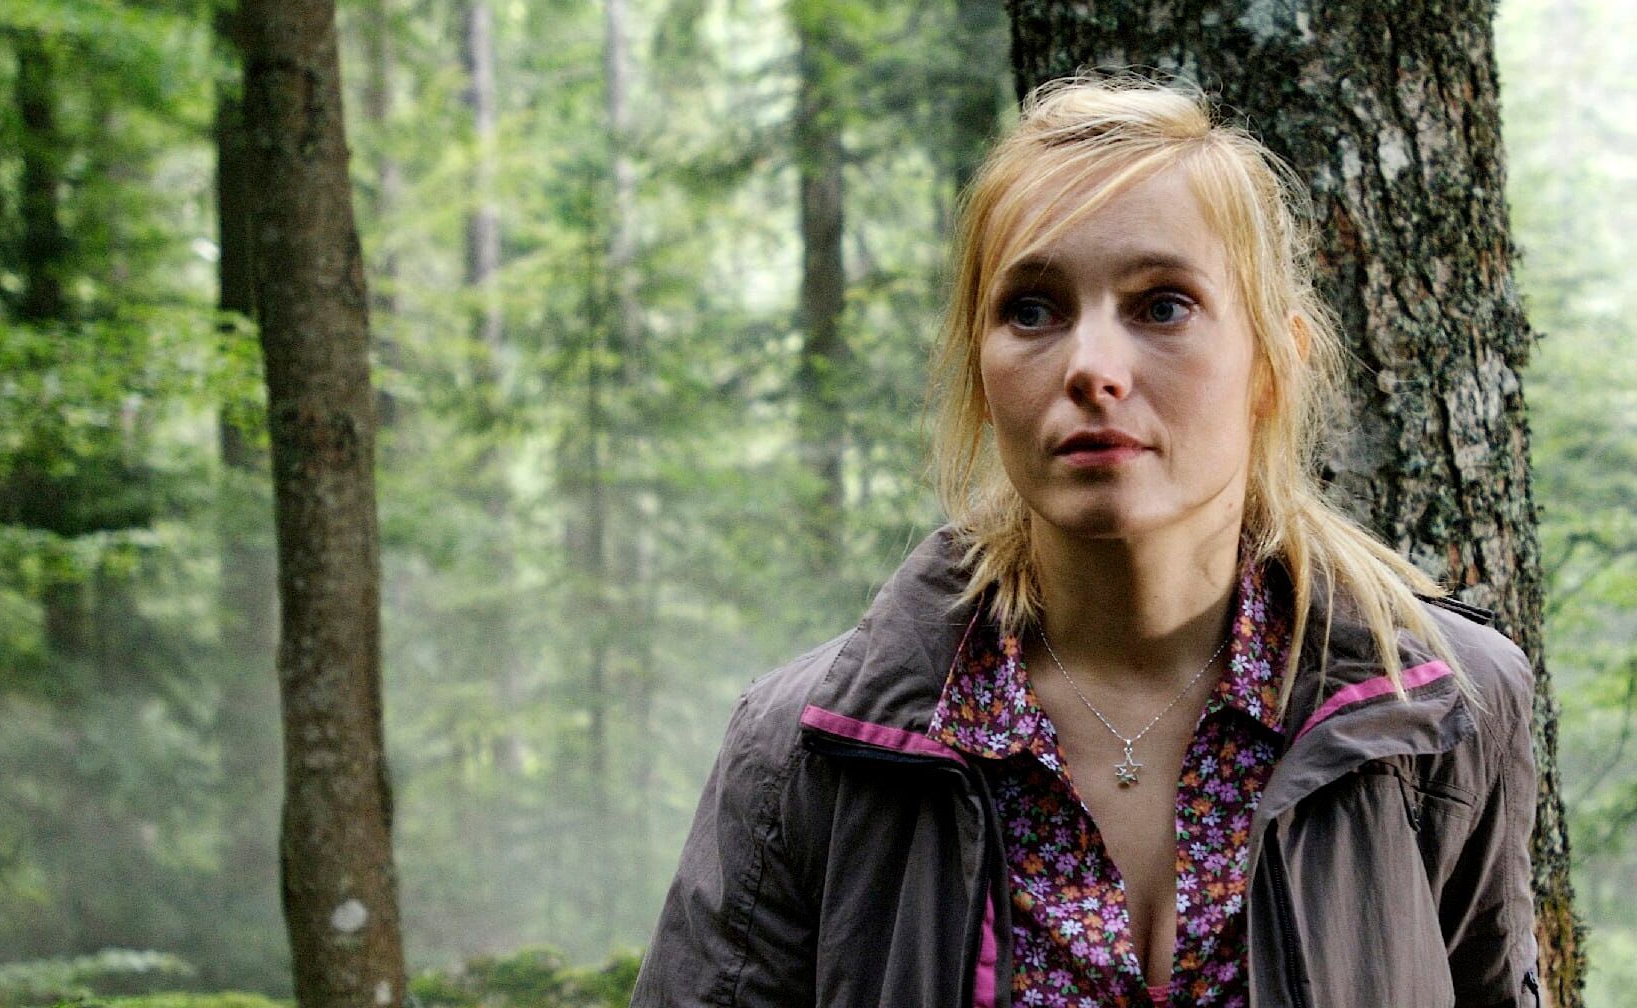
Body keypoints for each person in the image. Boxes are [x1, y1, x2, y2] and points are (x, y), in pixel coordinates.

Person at [630, 75, 1541, 1008]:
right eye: (1032, 310)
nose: (1092, 369)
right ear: (982, 376)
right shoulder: (806, 751)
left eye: (1163, 305)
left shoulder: (1439, 713)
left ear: (1272, 365)